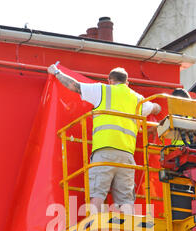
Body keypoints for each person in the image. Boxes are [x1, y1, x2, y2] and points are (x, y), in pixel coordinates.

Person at [48, 64, 161, 214]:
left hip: (104, 151)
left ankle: (95, 224)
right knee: (126, 198)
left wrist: (56, 72)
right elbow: (155, 108)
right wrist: (157, 106)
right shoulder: (137, 99)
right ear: (127, 83)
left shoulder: (101, 89)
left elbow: (74, 86)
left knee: (98, 193)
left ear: (110, 81)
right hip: (126, 155)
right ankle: (128, 229)